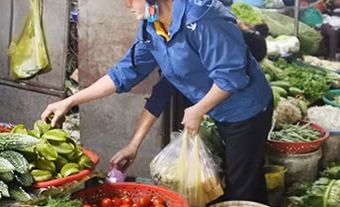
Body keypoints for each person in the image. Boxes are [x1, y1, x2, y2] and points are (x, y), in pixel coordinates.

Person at [43, 0, 273, 204]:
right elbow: (126, 74)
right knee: (244, 176)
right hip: (219, 109)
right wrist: (71, 101)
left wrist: (198, 109)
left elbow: (232, 77)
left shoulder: (202, 18)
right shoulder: (152, 26)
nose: (127, 4)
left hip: (246, 109)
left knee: (241, 185)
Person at [111, 22, 269, 172]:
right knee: (246, 172)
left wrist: (198, 111)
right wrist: (133, 145)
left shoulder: (227, 62)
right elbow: (157, 99)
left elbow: (231, 80)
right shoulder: (191, 55)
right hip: (231, 112)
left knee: (243, 177)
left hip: (249, 112)